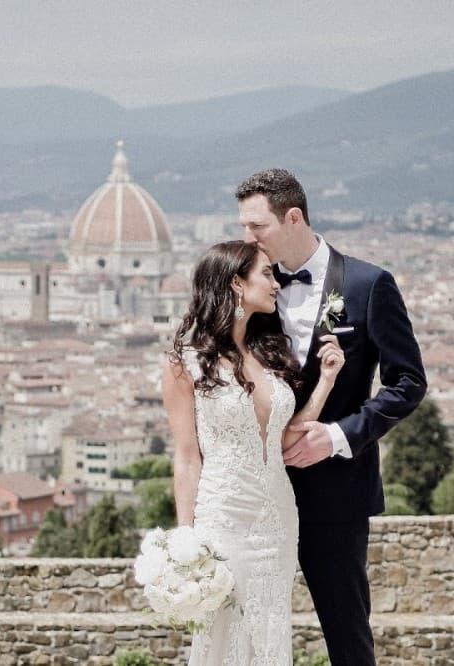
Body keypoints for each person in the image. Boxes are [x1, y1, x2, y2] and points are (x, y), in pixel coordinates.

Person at [236, 168, 427, 665]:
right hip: (258, 491)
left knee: (347, 636)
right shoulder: (250, 286)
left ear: (293, 217)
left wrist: (340, 436)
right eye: (244, 227)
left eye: (257, 226)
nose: (248, 238)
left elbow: (408, 382)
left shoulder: (368, 284)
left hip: (338, 492)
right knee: (246, 631)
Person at [163, 240, 344, 663]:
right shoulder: (184, 364)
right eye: (266, 273)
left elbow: (282, 441)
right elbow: (187, 457)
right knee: (223, 634)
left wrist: (325, 383)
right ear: (236, 284)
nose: (276, 283)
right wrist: (186, 536)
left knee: (270, 632)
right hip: (223, 518)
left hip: (278, 520)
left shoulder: (268, 353)